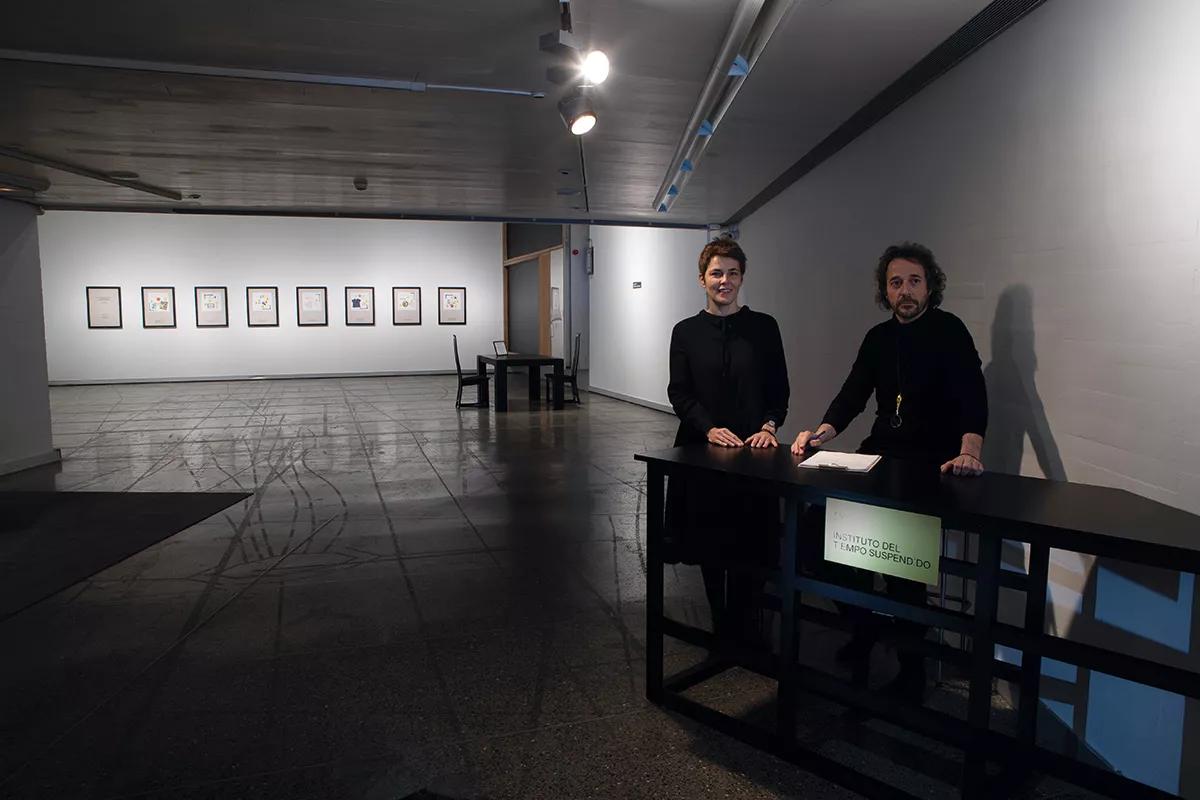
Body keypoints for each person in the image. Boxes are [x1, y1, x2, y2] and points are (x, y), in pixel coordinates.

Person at [790, 241, 987, 697]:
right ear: (885, 290)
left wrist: (970, 448)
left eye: (914, 281)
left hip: (928, 460)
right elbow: (853, 393)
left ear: (930, 285)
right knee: (820, 541)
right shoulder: (878, 338)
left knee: (902, 568)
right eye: (896, 282)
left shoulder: (950, 330)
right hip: (879, 453)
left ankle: (910, 665)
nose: (905, 291)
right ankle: (863, 628)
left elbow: (973, 395)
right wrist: (820, 432)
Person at [665, 235, 789, 647]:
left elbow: (779, 390)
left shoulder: (764, 328)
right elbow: (679, 392)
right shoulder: (685, 332)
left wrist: (770, 425)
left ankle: (748, 626)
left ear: (742, 278)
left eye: (733, 273)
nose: (725, 280)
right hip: (703, 452)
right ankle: (723, 626)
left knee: (752, 541)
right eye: (717, 273)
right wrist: (708, 428)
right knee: (710, 540)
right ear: (702, 278)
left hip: (755, 453)